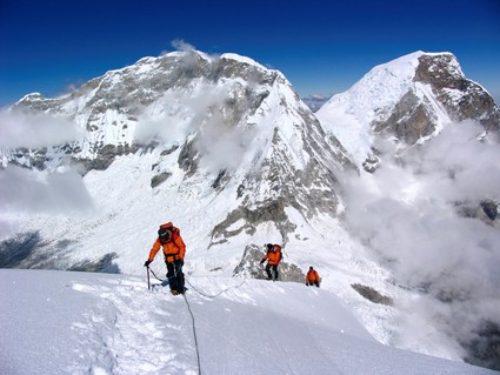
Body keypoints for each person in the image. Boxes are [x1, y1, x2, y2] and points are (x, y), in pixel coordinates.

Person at [144, 222, 186, 295]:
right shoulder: (160, 239)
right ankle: (174, 289)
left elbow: (182, 247)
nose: (163, 240)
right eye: (162, 238)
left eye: (165, 238)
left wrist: (181, 258)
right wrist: (150, 259)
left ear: (167, 234)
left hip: (177, 258)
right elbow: (155, 249)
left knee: (179, 273)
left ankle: (181, 287)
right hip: (168, 259)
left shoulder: (175, 236)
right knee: (170, 273)